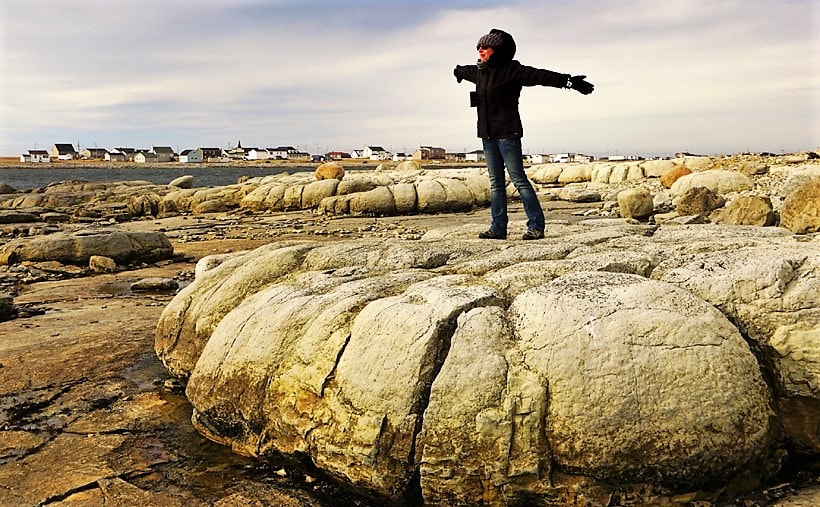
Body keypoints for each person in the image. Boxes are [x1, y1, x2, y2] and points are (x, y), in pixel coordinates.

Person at [454, 28, 594, 240]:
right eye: (478, 47)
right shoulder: (479, 71)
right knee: (495, 183)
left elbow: (540, 76)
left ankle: (536, 226)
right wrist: (457, 72)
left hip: (508, 134)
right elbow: (463, 70)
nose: (480, 49)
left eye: (485, 47)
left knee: (519, 180)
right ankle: (498, 228)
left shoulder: (512, 70)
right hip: (487, 136)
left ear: (497, 50)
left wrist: (569, 82)